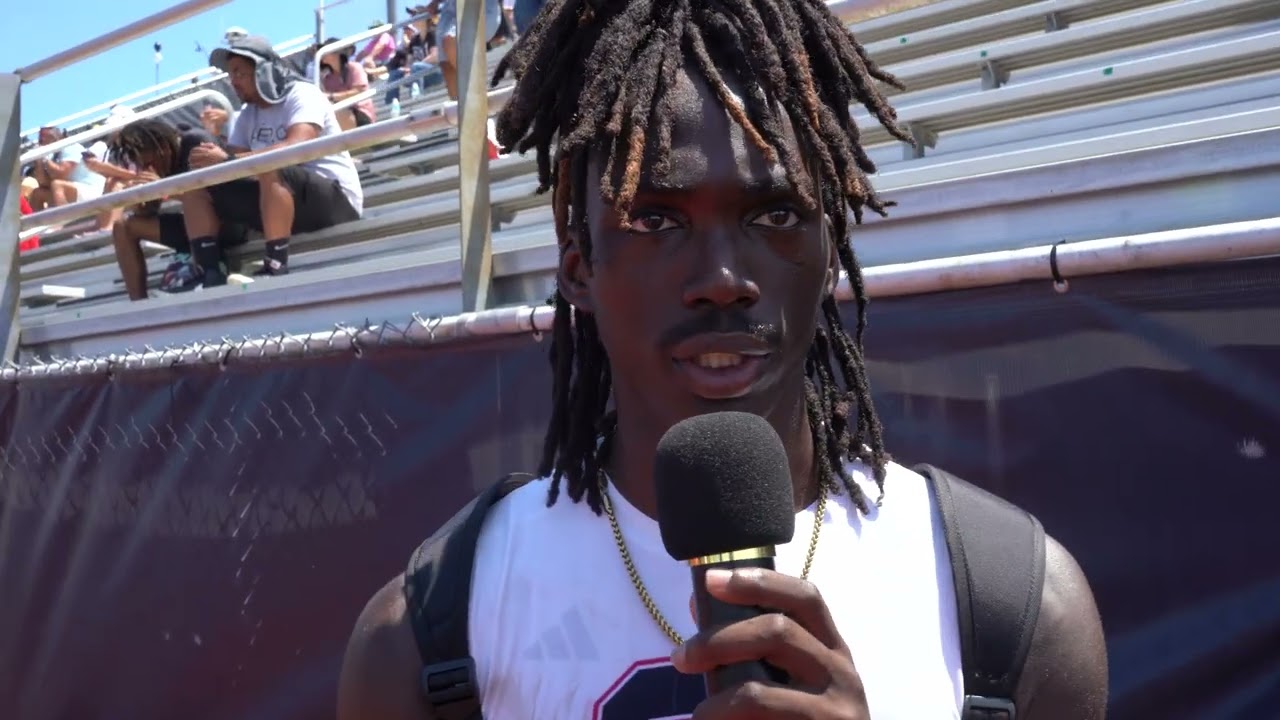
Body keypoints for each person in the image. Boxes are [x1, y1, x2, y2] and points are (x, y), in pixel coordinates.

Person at [337, 1, 1109, 719]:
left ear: (829, 252)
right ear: (578, 267)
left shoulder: (1020, 606)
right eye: (657, 217)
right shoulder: (430, 634)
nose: (721, 282)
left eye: (774, 214)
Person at [178, 35, 363, 287]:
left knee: (272, 162)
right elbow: (230, 168)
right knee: (197, 180)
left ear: (263, 71)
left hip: (336, 200)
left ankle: (276, 264)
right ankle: (209, 270)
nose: (233, 82)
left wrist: (227, 159)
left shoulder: (303, 93)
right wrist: (211, 160)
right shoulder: (247, 114)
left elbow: (297, 147)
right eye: (230, 75)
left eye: (239, 73)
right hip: (283, 199)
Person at [106, 119, 253, 299]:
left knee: (194, 191)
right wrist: (143, 200)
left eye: (149, 161)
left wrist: (164, 188)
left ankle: (212, 273)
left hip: (230, 223)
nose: (146, 167)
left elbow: (216, 195)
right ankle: (138, 303)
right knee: (122, 226)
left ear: (162, 147)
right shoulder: (158, 161)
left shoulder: (196, 142)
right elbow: (150, 211)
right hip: (193, 228)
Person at [317, 39, 378, 130]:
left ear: (336, 52)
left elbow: (359, 92)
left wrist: (331, 96)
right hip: (341, 115)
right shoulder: (328, 79)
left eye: (325, 50)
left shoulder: (354, 68)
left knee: (334, 111)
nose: (322, 55)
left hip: (360, 114)